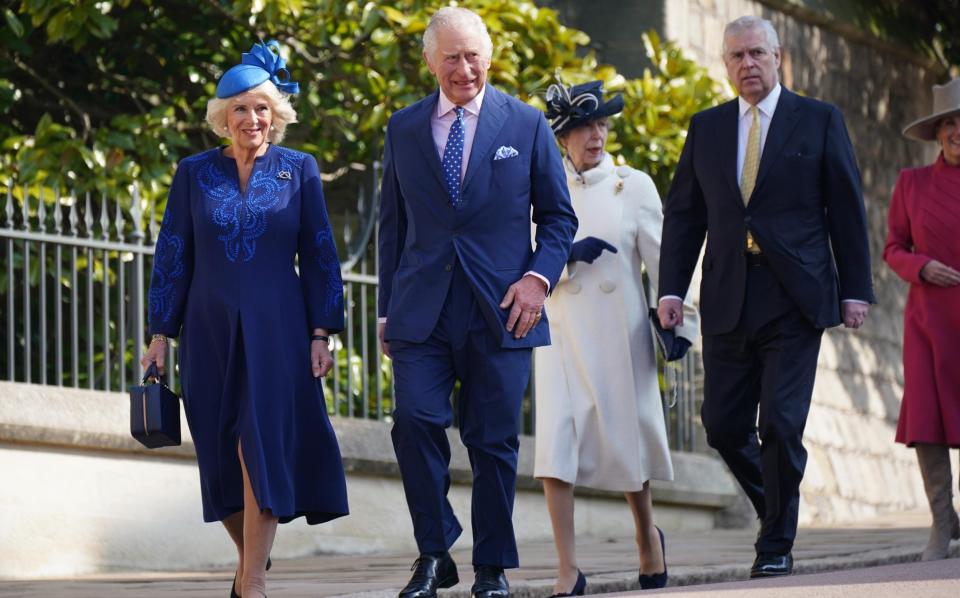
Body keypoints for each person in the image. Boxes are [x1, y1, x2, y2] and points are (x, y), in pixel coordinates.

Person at [657, 16, 875, 578]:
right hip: (729, 293)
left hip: (795, 296)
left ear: (778, 58)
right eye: (736, 56)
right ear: (725, 65)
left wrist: (855, 289)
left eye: (757, 53)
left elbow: (846, 211)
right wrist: (670, 290)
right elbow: (685, 216)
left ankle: (775, 543)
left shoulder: (818, 120)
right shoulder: (706, 128)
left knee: (780, 423)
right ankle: (776, 508)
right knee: (723, 427)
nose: (747, 64)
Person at [377, 7, 577, 598]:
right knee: (413, 421)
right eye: (450, 58)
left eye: (472, 56)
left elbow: (560, 218)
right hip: (422, 309)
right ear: (430, 63)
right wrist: (387, 309)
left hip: (503, 308)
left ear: (488, 57)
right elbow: (394, 225)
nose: (463, 69)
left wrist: (538, 279)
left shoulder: (527, 125)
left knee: (492, 440)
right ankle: (435, 552)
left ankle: (491, 566)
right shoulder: (403, 128)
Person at [140, 40, 348, 598]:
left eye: (261, 108)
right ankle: (249, 560)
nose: (252, 119)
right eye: (240, 108)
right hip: (207, 329)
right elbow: (173, 253)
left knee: (259, 443)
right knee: (217, 451)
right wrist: (161, 333)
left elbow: (321, 253)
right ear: (222, 117)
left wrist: (322, 331)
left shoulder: (298, 170)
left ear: (275, 115)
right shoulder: (193, 173)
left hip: (278, 326)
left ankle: (250, 582)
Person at [532, 80, 699, 595]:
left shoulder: (634, 185)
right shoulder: (539, 186)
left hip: (618, 332)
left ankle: (647, 537)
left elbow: (666, 261)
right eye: (583, 126)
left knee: (628, 444)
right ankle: (568, 569)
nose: (595, 135)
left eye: (601, 124)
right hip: (559, 328)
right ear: (562, 136)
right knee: (555, 451)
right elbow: (519, 254)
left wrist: (679, 320)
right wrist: (562, 256)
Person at [883, 77, 960, 561]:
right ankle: (942, 523)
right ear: (936, 133)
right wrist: (921, 266)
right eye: (949, 123)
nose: (958, 132)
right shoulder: (911, 184)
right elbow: (892, 248)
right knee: (927, 421)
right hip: (928, 321)